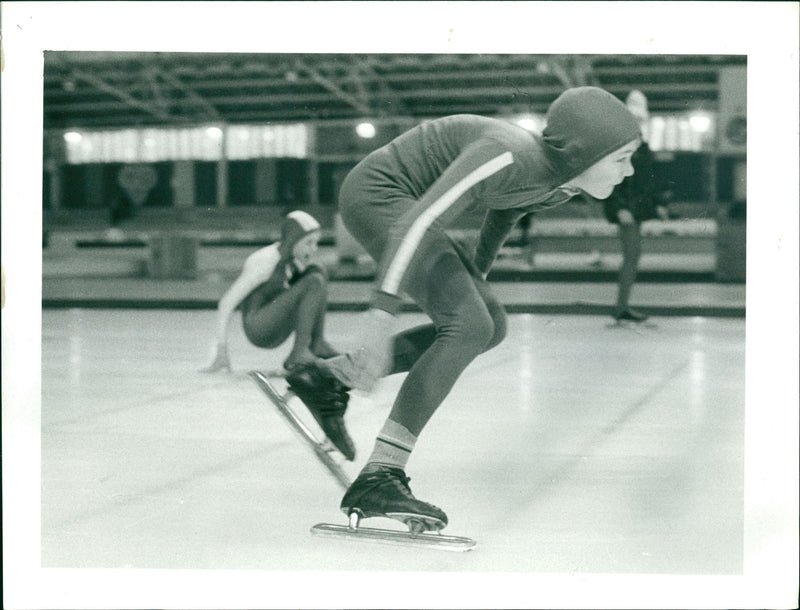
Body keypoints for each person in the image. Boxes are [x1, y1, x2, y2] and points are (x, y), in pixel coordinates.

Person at [296, 86, 641, 530]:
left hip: (405, 205)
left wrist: (472, 284)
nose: (629, 171)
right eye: (622, 158)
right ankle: (381, 473)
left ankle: (329, 379)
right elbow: (416, 222)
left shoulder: (560, 182)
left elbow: (504, 212)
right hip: (378, 195)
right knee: (470, 324)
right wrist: (379, 319)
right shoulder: (508, 154)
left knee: (489, 325)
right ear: (583, 152)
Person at [201, 210, 339, 375]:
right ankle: (298, 355)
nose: (314, 248)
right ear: (293, 240)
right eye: (309, 243)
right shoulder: (265, 261)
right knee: (313, 281)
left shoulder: (293, 260)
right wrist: (221, 351)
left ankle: (317, 343)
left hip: (275, 325)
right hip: (258, 328)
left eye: (316, 243)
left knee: (318, 272)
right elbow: (226, 303)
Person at [602, 90, 670, 323]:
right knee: (632, 256)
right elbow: (612, 178)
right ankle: (621, 307)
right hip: (627, 210)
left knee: (633, 257)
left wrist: (658, 204)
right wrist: (618, 207)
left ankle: (622, 306)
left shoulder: (642, 147)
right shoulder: (620, 146)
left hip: (635, 209)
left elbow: (648, 181)